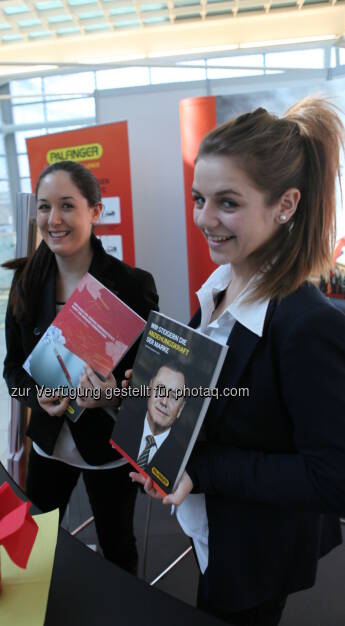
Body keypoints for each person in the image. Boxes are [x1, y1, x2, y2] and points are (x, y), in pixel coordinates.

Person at [131, 96, 345, 625]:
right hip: (212, 532)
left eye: (227, 202)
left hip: (256, 551)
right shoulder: (217, 288)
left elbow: (331, 478)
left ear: (286, 204)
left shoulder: (306, 324)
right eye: (199, 198)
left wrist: (199, 470)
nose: (205, 219)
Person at [3, 160, 158, 574]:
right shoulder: (26, 283)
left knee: (117, 549)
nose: (53, 220)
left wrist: (113, 394)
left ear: (95, 211)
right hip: (49, 444)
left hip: (106, 448)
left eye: (67, 206)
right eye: (43, 207)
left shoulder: (131, 285)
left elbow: (153, 386)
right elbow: (12, 372)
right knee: (35, 543)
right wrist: (37, 395)